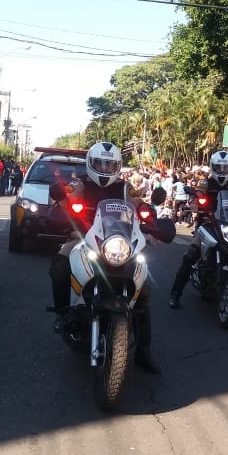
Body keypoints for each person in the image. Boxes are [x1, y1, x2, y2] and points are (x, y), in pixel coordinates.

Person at [48, 141, 160, 374]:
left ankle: (144, 352)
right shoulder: (80, 184)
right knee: (59, 265)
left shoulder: (125, 188)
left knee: (145, 290)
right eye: (100, 163)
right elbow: (67, 195)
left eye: (110, 165)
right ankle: (63, 313)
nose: (105, 168)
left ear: (117, 167)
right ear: (90, 163)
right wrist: (60, 197)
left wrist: (148, 213)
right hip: (82, 238)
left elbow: (138, 203)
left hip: (119, 244)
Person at [169, 150, 228, 308]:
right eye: (219, 167)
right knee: (190, 257)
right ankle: (175, 294)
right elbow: (198, 194)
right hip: (208, 224)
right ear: (213, 167)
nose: (222, 171)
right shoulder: (205, 183)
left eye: (226, 168)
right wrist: (197, 199)